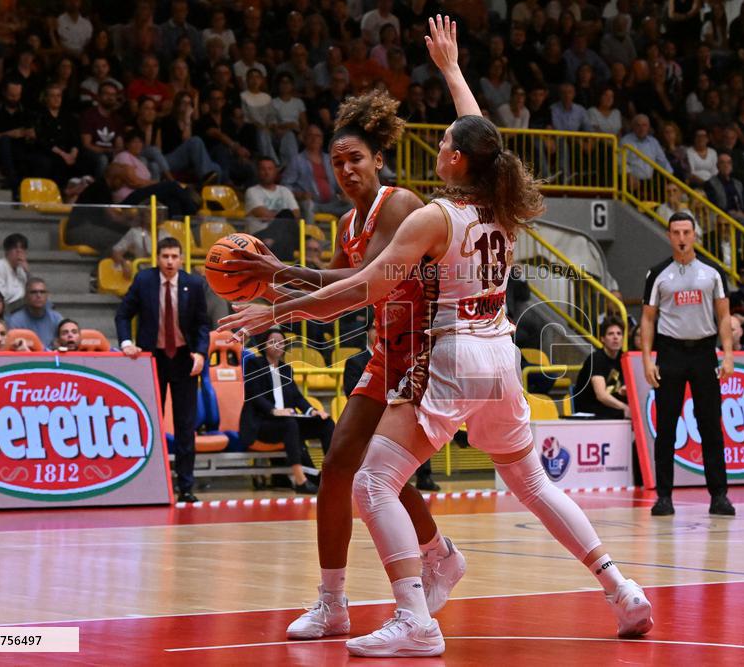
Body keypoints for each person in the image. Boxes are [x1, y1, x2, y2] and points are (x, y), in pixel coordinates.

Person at [219, 17, 653, 656]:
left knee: (371, 483)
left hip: (448, 354)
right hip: (501, 354)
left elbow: (365, 288)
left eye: (445, 140)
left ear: (454, 159)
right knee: (532, 485)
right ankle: (619, 587)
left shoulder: (430, 216)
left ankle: (416, 617)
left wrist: (278, 312)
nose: (440, 143)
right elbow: (486, 140)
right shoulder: (500, 203)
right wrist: (452, 74)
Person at [221, 86, 460, 643]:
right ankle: (335, 602)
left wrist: (279, 272)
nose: (346, 169)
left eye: (355, 158)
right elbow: (334, 303)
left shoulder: (400, 204)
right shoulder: (347, 227)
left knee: (375, 472)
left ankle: (436, 560)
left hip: (425, 355)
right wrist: (273, 303)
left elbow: (362, 283)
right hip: (385, 355)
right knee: (338, 470)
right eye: (337, 162)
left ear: (378, 159)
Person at [641, 210, 735, 517]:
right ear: (669, 236)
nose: (681, 238)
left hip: (704, 352)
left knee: (711, 426)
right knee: (666, 427)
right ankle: (664, 497)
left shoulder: (713, 273)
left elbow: (723, 316)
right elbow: (647, 319)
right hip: (670, 353)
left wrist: (729, 354)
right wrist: (646, 358)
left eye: (686, 232)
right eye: (676, 232)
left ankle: (719, 496)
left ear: (694, 235)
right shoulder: (657, 274)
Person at [115, 237, 209, 503]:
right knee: (150, 422)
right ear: (157, 258)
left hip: (183, 358)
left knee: (185, 425)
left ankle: (186, 487)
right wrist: (125, 343)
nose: (169, 261)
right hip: (152, 359)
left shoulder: (193, 283)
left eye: (174, 256)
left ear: (181, 259)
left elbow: (203, 324)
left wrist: (201, 353)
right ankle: (148, 483)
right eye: (165, 256)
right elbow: (123, 314)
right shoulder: (144, 281)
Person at [344, 319, 439, 492]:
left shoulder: (401, 357)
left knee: (418, 422)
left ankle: (424, 476)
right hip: (371, 409)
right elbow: (350, 391)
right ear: (367, 333)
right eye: (373, 328)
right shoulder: (355, 361)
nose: (377, 331)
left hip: (396, 405)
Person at [239, 329, 334, 493]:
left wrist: (312, 411)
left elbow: (297, 397)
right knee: (289, 424)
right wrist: (274, 411)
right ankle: (300, 480)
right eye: (272, 341)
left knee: (325, 423)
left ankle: (331, 475)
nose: (277, 345)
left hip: (287, 422)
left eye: (281, 342)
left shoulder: (286, 369)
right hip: (263, 424)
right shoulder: (254, 364)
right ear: (263, 345)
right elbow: (253, 395)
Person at [572, 318, 629, 419]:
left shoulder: (624, 358)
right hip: (590, 407)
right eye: (610, 334)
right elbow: (601, 395)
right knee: (625, 413)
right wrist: (625, 408)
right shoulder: (596, 359)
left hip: (609, 407)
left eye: (619, 334)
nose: (615, 337)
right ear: (602, 338)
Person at [6, 277, 62, 346]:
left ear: (47, 296)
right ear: (26, 296)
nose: (38, 295)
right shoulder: (15, 321)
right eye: (33, 292)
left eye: (42, 292)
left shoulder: (57, 318)